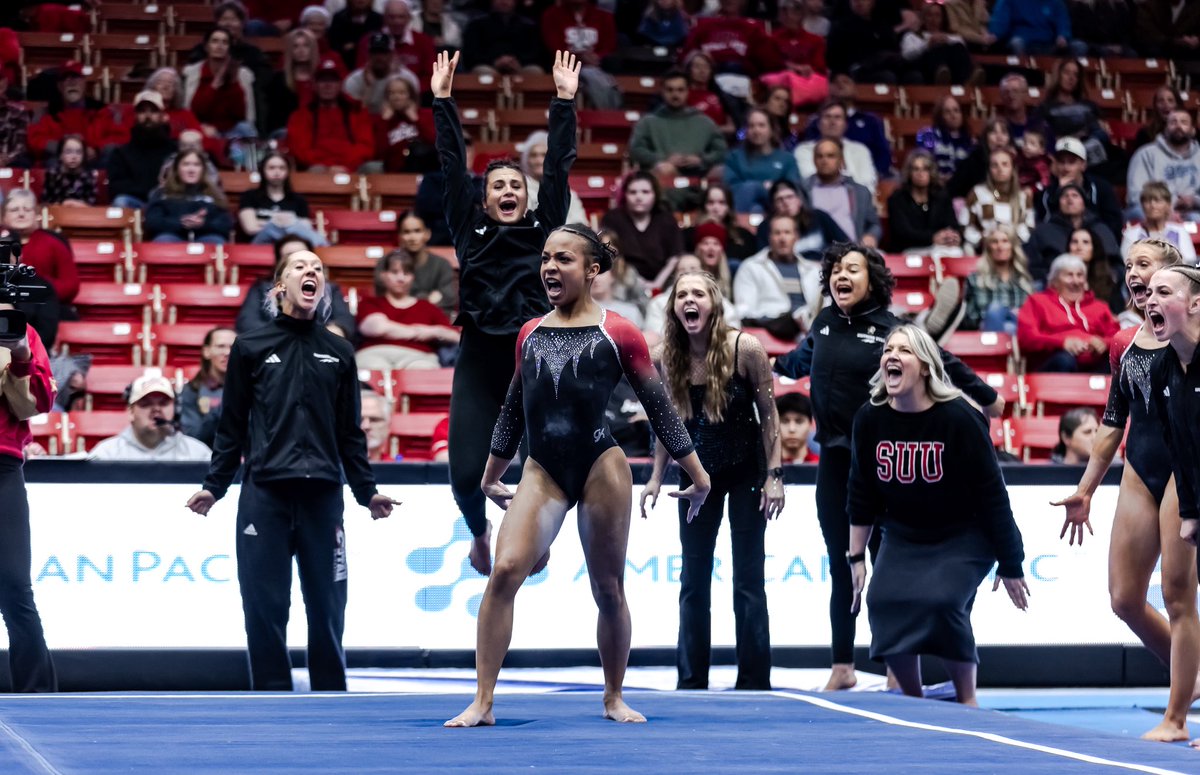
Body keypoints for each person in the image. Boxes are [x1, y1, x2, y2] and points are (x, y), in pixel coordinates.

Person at [444, 225, 710, 728]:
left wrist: (697, 473)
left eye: (562, 259)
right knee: (504, 573)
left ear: (591, 270)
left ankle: (613, 695)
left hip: (599, 466)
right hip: (543, 468)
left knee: (607, 588)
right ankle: (482, 701)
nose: (549, 267)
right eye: (545, 258)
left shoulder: (619, 331)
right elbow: (512, 410)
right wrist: (489, 475)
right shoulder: (530, 332)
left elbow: (659, 406)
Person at [774, 242, 1003, 691]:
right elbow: (792, 363)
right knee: (845, 564)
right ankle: (842, 665)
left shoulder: (891, 330)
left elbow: (942, 361)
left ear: (872, 280)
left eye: (852, 269)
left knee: (891, 567)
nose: (841, 275)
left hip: (883, 466)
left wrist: (987, 397)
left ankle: (899, 672)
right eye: (836, 269)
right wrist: (749, 361)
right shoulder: (822, 324)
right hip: (836, 465)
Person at [186, 249, 399, 691]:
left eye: (318, 269)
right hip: (264, 496)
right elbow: (231, 427)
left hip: (323, 497)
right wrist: (215, 487)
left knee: (327, 609)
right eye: (301, 267)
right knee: (265, 609)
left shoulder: (339, 351)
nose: (312, 273)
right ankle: (270, 701)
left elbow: (350, 434)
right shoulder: (251, 346)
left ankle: (331, 699)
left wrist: (367, 492)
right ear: (280, 287)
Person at [434, 50, 580, 574]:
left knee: (549, 466)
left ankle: (536, 537)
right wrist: (443, 99)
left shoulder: (546, 231)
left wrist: (564, 101)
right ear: (486, 198)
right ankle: (479, 532)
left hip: (535, 360)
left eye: (516, 185)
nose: (509, 190)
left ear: (527, 195)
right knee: (463, 474)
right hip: (479, 360)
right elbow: (452, 166)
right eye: (499, 186)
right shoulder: (467, 231)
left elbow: (559, 166)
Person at [1055, 237, 1199, 741]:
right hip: (1141, 468)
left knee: (1180, 597)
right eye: (1130, 266)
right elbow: (1114, 420)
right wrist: (1086, 488)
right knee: (1124, 598)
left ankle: (1175, 717)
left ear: (1176, 282)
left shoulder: (1192, 345)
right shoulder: (1126, 343)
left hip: (1187, 468)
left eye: (1146, 265)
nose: (1134, 274)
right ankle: (1193, 676)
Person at [847, 324, 1027, 705]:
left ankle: (967, 700)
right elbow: (860, 493)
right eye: (888, 349)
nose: (892, 356)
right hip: (904, 533)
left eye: (905, 351)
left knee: (942, 602)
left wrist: (1011, 563)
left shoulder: (960, 418)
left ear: (926, 366)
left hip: (965, 533)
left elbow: (994, 495)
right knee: (883, 602)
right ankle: (913, 699)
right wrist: (856, 556)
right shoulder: (870, 418)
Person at [641, 269, 782, 691]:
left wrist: (774, 475)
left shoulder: (746, 348)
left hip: (745, 471)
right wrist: (654, 476)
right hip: (695, 475)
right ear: (674, 309)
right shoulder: (668, 355)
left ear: (714, 304)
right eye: (681, 294)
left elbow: (769, 416)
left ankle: (755, 680)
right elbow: (669, 422)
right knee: (693, 578)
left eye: (698, 293)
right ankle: (691, 679)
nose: (689, 300)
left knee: (748, 578)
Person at [0, 312, 57, 691]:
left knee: (15, 585)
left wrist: (20, 353)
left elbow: (39, 403)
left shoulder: (17, 329)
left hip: (2, 466)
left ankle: (39, 696)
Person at [1148, 266, 1200, 592]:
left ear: (1195, 304)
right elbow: (1178, 447)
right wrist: (1190, 512)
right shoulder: (1162, 367)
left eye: (1164, 293)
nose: (1150, 300)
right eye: (1150, 293)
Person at [236, 236, 357, 340]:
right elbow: (247, 322)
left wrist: (327, 333)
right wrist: (284, 335)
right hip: (273, 347)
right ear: (280, 261)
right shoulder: (261, 288)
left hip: (319, 347)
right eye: (290, 255)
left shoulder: (329, 289)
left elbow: (344, 321)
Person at [356, 249, 459, 370]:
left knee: (424, 369)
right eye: (394, 272)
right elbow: (378, 328)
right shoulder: (370, 302)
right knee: (372, 368)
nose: (401, 278)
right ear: (383, 275)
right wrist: (422, 331)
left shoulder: (426, 307)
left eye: (406, 273)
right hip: (374, 354)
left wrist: (436, 331)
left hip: (419, 357)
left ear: (412, 277)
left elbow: (455, 336)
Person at [1017, 253, 1119, 372]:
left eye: (1079, 275)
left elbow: (1118, 338)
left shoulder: (1100, 307)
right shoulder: (1037, 301)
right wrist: (1063, 343)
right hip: (1053, 364)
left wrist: (1104, 343)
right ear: (1054, 281)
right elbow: (1027, 339)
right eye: (1069, 275)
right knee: (1064, 360)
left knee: (1119, 363)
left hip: (1094, 364)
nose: (1076, 281)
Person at [629, 70, 727, 183]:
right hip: (664, 174)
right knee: (665, 169)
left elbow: (722, 151)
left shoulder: (705, 122)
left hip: (699, 174)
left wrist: (701, 160)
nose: (675, 95)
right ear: (662, 91)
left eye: (680, 90)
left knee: (723, 171)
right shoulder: (648, 121)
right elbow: (636, 150)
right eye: (670, 90)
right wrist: (663, 159)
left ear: (688, 91)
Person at [89, 374, 213, 461]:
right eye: (146, 404)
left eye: (164, 403)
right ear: (131, 412)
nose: (156, 409)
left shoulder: (198, 453)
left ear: (175, 408)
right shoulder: (107, 454)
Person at [286, 56, 376, 173]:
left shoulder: (357, 112)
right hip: (317, 168)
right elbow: (299, 150)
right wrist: (328, 167)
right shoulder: (301, 116)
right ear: (314, 84)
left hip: (352, 167)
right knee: (316, 171)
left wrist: (345, 166)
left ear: (340, 84)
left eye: (333, 80)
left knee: (372, 168)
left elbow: (366, 147)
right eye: (323, 80)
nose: (327, 85)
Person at [600, 172, 685, 284]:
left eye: (645, 192)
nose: (639, 197)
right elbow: (610, 255)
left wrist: (657, 284)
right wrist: (637, 283)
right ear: (625, 194)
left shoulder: (667, 219)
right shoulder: (612, 219)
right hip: (622, 282)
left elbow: (674, 257)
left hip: (663, 283)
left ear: (655, 194)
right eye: (632, 192)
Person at [2, 189, 78, 306]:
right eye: (14, 210)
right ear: (4, 216)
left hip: (46, 306)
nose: (21, 214)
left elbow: (70, 285)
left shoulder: (53, 242)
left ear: (37, 214)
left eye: (27, 209)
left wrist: (38, 290)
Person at [800, 139, 881, 248]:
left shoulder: (860, 192)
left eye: (830, 156)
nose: (825, 160)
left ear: (841, 160)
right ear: (814, 160)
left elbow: (874, 224)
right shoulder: (802, 190)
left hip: (853, 250)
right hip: (815, 252)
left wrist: (871, 235)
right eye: (820, 156)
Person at [182, 27, 258, 143]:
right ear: (207, 46)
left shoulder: (240, 74)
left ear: (229, 48)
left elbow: (240, 113)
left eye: (224, 42)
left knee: (246, 129)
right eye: (215, 41)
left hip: (232, 129)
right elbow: (195, 110)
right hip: (202, 127)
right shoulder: (194, 73)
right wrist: (214, 85)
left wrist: (233, 81)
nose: (220, 45)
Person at [106, 91, 178, 211]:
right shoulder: (121, 153)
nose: (148, 116)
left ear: (162, 116)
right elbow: (116, 186)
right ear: (135, 116)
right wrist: (150, 191)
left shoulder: (174, 150)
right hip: (135, 202)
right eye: (142, 111)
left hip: (167, 202)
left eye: (153, 111)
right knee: (120, 201)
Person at [1126, 108, 1200, 223]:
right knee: (1140, 212)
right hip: (1154, 209)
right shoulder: (1146, 154)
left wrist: (1194, 201)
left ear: (1193, 130)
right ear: (1165, 129)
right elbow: (1135, 195)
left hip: (1194, 210)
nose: (1178, 126)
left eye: (1184, 122)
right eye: (1173, 122)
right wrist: (1166, 207)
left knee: (1196, 218)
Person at [145, 150, 234, 245]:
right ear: (177, 169)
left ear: (203, 169)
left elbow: (225, 224)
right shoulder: (162, 193)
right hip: (172, 236)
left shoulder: (214, 194)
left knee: (217, 242)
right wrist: (180, 222)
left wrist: (203, 224)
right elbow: (153, 222)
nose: (191, 170)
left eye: (197, 165)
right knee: (163, 241)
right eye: (186, 164)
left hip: (207, 236)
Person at [237, 152, 326, 246]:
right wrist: (276, 222)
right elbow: (250, 228)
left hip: (290, 244)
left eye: (281, 168)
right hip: (260, 244)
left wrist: (261, 222)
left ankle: (323, 248)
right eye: (271, 168)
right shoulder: (250, 196)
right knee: (279, 226)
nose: (277, 172)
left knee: (298, 229)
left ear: (288, 171)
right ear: (263, 171)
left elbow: (306, 226)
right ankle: (324, 247)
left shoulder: (298, 199)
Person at [724, 108, 803, 214]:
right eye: (751, 126)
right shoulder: (734, 157)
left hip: (777, 207)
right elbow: (730, 188)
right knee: (755, 204)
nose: (756, 130)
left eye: (761, 125)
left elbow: (791, 187)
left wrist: (772, 188)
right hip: (744, 206)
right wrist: (762, 187)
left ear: (771, 129)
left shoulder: (787, 159)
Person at [961, 226, 1034, 334]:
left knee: (1010, 325)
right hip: (985, 332)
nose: (1000, 247)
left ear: (1012, 246)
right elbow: (970, 317)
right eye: (994, 242)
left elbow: (1031, 317)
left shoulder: (1024, 281)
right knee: (996, 310)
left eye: (1005, 241)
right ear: (988, 247)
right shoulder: (975, 279)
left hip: (1020, 331)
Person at [885, 149, 961, 255]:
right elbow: (903, 234)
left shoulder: (941, 197)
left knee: (955, 252)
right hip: (908, 250)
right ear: (909, 173)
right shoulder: (897, 199)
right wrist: (933, 237)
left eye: (925, 169)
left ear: (931, 172)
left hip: (938, 247)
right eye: (916, 169)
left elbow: (952, 224)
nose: (920, 174)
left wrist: (952, 236)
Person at [961, 147, 1034, 254]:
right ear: (989, 169)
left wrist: (1011, 241)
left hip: (1016, 251)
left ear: (1013, 168)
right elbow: (965, 225)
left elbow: (1029, 227)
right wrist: (983, 240)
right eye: (994, 165)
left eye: (1005, 164)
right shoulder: (977, 193)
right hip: (984, 250)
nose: (1000, 169)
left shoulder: (1023, 196)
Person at [795, 102, 877, 195]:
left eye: (837, 117)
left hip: (856, 202)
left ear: (845, 124)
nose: (832, 122)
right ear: (818, 123)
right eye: (827, 117)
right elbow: (809, 181)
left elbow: (868, 183)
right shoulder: (804, 150)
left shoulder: (860, 150)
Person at [179, 327, 236, 448]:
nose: (227, 352)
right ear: (206, 351)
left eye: (233, 347)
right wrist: (223, 408)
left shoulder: (252, 390)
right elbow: (192, 437)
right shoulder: (191, 391)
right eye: (220, 346)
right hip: (205, 459)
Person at [345, 31, 421, 117]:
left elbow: (415, 111)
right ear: (368, 55)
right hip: (365, 125)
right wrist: (368, 88)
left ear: (392, 54)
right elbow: (354, 116)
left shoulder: (407, 78)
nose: (379, 57)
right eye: (375, 52)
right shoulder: (354, 80)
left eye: (383, 52)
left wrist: (393, 81)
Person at [520, 130, 587, 226]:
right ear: (526, 159)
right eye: (533, 155)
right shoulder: (520, 190)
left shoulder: (567, 192)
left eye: (544, 155)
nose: (539, 161)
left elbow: (581, 224)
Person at [1121, 182, 1198, 267]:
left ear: (1168, 205)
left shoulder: (1180, 231)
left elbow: (1190, 261)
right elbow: (1127, 264)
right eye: (1147, 201)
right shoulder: (1131, 234)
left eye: (1158, 200)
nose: (1152, 205)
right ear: (1142, 205)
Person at [461, 0, 544, 75]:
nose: (504, 1)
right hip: (488, 66)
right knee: (483, 71)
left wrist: (515, 62)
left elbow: (536, 53)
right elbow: (470, 54)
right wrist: (495, 62)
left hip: (520, 66)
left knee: (535, 71)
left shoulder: (528, 26)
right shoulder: (476, 25)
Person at [397, 211, 456, 317]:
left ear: (427, 234)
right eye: (406, 232)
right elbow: (386, 300)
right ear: (400, 236)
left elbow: (449, 299)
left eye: (417, 231)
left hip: (434, 322)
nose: (412, 237)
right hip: (399, 322)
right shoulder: (387, 264)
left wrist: (407, 300)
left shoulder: (442, 265)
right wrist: (428, 299)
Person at [374, 75, 436, 174]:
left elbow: (434, 142)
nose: (396, 97)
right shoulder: (381, 121)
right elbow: (378, 153)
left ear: (411, 96)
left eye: (402, 93)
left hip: (423, 168)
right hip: (392, 171)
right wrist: (384, 121)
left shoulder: (425, 115)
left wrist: (416, 119)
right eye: (392, 93)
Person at [264, 28, 319, 135]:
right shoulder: (279, 80)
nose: (301, 50)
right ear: (290, 51)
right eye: (295, 46)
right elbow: (275, 118)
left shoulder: (323, 78)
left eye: (306, 45)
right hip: (287, 130)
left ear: (313, 49)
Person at [916, 95, 973, 185]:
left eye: (956, 110)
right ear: (940, 116)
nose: (953, 115)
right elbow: (923, 164)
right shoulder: (928, 135)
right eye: (947, 112)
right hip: (935, 185)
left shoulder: (970, 142)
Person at [42, 135, 95, 207]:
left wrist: (74, 204)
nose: (74, 156)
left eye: (78, 152)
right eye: (69, 152)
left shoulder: (88, 176)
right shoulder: (52, 175)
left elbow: (91, 205)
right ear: (61, 155)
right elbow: (46, 204)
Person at [777, 392, 818, 463]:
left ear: (810, 424)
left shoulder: (821, 467)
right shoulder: (763, 468)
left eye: (799, 421)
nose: (792, 429)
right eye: (784, 421)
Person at [360, 388, 392, 462]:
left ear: (388, 426)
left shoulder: (400, 471)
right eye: (359, 419)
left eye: (374, 420)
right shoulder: (331, 471)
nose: (366, 426)